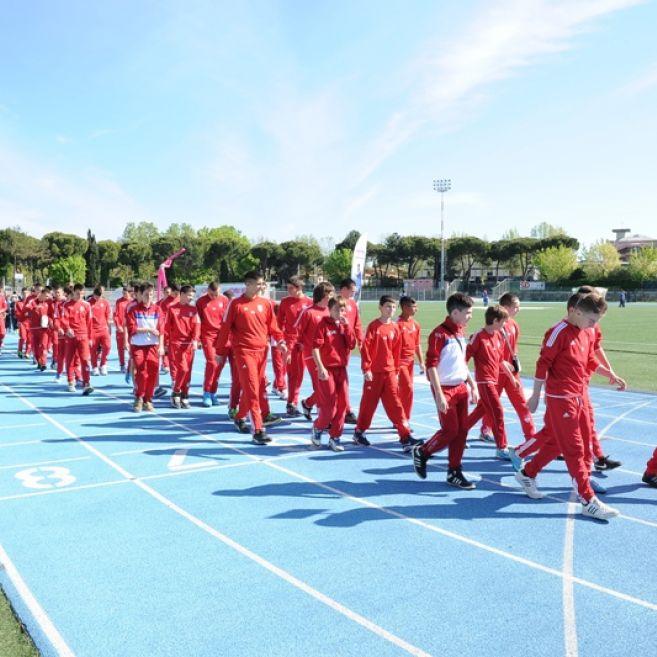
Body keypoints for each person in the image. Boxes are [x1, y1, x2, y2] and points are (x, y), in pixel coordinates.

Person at [514, 293, 625, 520]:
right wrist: (535, 395)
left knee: (560, 443)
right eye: (592, 320)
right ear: (576, 311)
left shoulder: (586, 331)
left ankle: (528, 472)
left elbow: (589, 360)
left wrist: (609, 374)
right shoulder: (558, 333)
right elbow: (543, 363)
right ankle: (587, 499)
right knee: (574, 449)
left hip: (580, 394)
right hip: (561, 398)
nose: (594, 326)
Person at [411, 293, 479, 489]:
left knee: (462, 432)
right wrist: (439, 394)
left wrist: (472, 384)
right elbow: (431, 366)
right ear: (455, 312)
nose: (470, 316)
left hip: (461, 387)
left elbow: (461, 363)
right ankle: (423, 452)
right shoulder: (438, 334)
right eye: (468, 312)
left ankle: (454, 471)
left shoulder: (460, 332)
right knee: (450, 430)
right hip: (445, 388)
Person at [215, 271, 286, 444]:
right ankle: (258, 430)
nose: (262, 286)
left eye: (263, 284)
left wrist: (281, 341)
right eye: (259, 283)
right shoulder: (236, 304)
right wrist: (220, 352)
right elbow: (225, 329)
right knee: (253, 390)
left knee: (257, 388)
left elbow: (273, 326)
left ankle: (240, 417)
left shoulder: (266, 304)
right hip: (244, 352)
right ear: (248, 284)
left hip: (262, 352)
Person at [352, 295, 419, 451]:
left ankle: (405, 436)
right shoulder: (373, 327)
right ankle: (359, 432)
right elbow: (366, 349)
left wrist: (395, 370)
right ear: (380, 307)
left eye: (394, 307)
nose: (391, 310)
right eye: (388, 306)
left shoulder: (396, 328)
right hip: (374, 373)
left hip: (389, 373)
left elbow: (396, 352)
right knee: (368, 404)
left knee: (396, 404)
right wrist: (366, 369)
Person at [479, 293, 536, 443]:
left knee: (522, 405)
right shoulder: (495, 326)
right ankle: (485, 429)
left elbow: (513, 348)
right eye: (515, 306)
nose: (518, 309)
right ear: (505, 307)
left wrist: (516, 363)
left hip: (511, 373)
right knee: (488, 406)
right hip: (496, 373)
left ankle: (530, 437)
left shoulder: (514, 325)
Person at [464, 305, 517, 459]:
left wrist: (512, 377)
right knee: (497, 411)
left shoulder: (498, 336)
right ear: (494, 320)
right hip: (484, 381)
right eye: (502, 322)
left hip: (494, 380)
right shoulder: (478, 337)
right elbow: (464, 359)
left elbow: (500, 361)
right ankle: (502, 447)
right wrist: (468, 382)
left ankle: (459, 433)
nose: (504, 326)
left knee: (482, 410)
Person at [310, 297, 356, 452]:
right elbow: (315, 348)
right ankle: (318, 427)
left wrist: (347, 327)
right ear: (329, 310)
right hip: (327, 370)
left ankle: (335, 437)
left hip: (341, 370)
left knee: (343, 405)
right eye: (336, 309)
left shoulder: (345, 325)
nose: (340, 312)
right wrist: (320, 367)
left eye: (342, 310)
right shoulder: (322, 324)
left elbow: (352, 344)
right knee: (329, 407)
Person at [295, 282, 335, 421]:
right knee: (322, 386)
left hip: (329, 355)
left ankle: (308, 403)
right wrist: (299, 346)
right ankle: (324, 419)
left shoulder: (332, 312)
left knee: (329, 387)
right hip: (312, 355)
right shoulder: (308, 312)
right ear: (322, 295)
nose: (332, 296)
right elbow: (297, 331)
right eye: (329, 294)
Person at [126, 283, 164, 412]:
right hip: (138, 346)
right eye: (146, 294)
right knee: (142, 372)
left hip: (153, 346)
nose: (149, 297)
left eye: (151, 294)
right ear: (140, 295)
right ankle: (139, 398)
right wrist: (147, 329)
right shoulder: (134, 310)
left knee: (153, 372)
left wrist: (162, 346)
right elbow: (132, 328)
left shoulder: (157, 310)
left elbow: (161, 330)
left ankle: (148, 399)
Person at [277, 276, 312, 416]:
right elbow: (278, 323)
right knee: (293, 374)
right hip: (290, 344)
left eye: (291, 288)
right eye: (287, 288)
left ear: (299, 288)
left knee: (308, 375)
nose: (288, 290)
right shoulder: (285, 302)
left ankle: (316, 403)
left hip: (306, 344)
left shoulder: (309, 302)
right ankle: (291, 403)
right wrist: (281, 341)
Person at [166, 285, 201, 409]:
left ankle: (185, 395)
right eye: (189, 296)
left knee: (188, 373)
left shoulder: (194, 310)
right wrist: (166, 343)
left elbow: (196, 326)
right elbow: (166, 327)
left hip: (189, 345)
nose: (191, 298)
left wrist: (196, 340)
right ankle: (176, 392)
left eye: (192, 296)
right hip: (176, 344)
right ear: (182, 294)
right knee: (183, 369)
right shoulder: (172, 309)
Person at [196, 281, 229, 408]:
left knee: (219, 365)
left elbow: (228, 318)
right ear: (207, 291)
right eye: (211, 294)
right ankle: (206, 392)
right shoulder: (200, 302)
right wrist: (198, 338)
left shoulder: (225, 300)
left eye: (216, 294)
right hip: (208, 336)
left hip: (222, 337)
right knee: (212, 363)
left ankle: (213, 392)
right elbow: (197, 321)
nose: (214, 297)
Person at [339, 278, 364, 424]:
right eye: (352, 291)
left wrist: (360, 340)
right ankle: (345, 410)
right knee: (338, 381)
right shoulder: (334, 303)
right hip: (332, 345)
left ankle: (310, 403)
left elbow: (357, 324)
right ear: (343, 289)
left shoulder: (353, 305)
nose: (353, 294)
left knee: (340, 380)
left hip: (347, 345)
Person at [61, 283, 94, 395]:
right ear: (73, 292)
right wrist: (67, 328)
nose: (79, 295)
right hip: (71, 337)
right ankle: (71, 381)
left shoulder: (87, 305)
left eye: (81, 293)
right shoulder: (67, 305)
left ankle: (86, 383)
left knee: (85, 359)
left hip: (83, 336)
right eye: (77, 293)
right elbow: (64, 319)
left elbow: (89, 323)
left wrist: (90, 338)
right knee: (69, 359)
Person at [396, 296, 424, 422]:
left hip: (411, 362)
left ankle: (404, 418)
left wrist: (421, 362)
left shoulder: (416, 324)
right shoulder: (397, 325)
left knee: (406, 390)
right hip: (399, 362)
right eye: (414, 307)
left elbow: (417, 344)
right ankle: (402, 419)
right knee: (407, 388)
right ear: (405, 307)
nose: (416, 309)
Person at [89, 285, 112, 375]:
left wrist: (108, 328)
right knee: (93, 349)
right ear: (93, 294)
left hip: (103, 329)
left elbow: (107, 316)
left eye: (99, 296)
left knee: (107, 346)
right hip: (93, 330)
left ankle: (103, 364)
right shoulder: (88, 303)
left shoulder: (105, 303)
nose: (97, 297)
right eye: (96, 295)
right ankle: (94, 367)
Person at [113, 286, 132, 373]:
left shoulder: (132, 302)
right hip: (120, 329)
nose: (124, 294)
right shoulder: (118, 302)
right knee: (120, 348)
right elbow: (115, 315)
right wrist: (118, 326)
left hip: (130, 330)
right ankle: (122, 365)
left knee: (131, 348)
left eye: (126, 293)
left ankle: (131, 364)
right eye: (123, 293)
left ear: (130, 293)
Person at [0, 288, 7, 354]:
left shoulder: (2, 298)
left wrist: (1, 311)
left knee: (2, 333)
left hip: (0, 318)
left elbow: (5, 307)